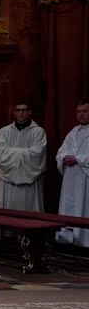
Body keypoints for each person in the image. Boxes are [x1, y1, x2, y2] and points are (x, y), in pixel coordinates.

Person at [0, 102, 47, 211]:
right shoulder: (4, 132)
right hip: (8, 182)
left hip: (29, 181)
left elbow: (37, 153)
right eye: (18, 110)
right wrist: (23, 153)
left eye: (24, 110)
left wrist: (11, 153)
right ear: (14, 113)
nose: (21, 113)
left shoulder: (38, 132)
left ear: (29, 112)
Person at [56, 99, 89, 247]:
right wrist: (64, 158)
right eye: (79, 112)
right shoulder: (73, 132)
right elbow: (60, 152)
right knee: (69, 207)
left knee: (84, 206)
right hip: (70, 179)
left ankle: (85, 240)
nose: (81, 115)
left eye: (85, 111)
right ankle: (69, 241)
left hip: (85, 179)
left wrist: (78, 159)